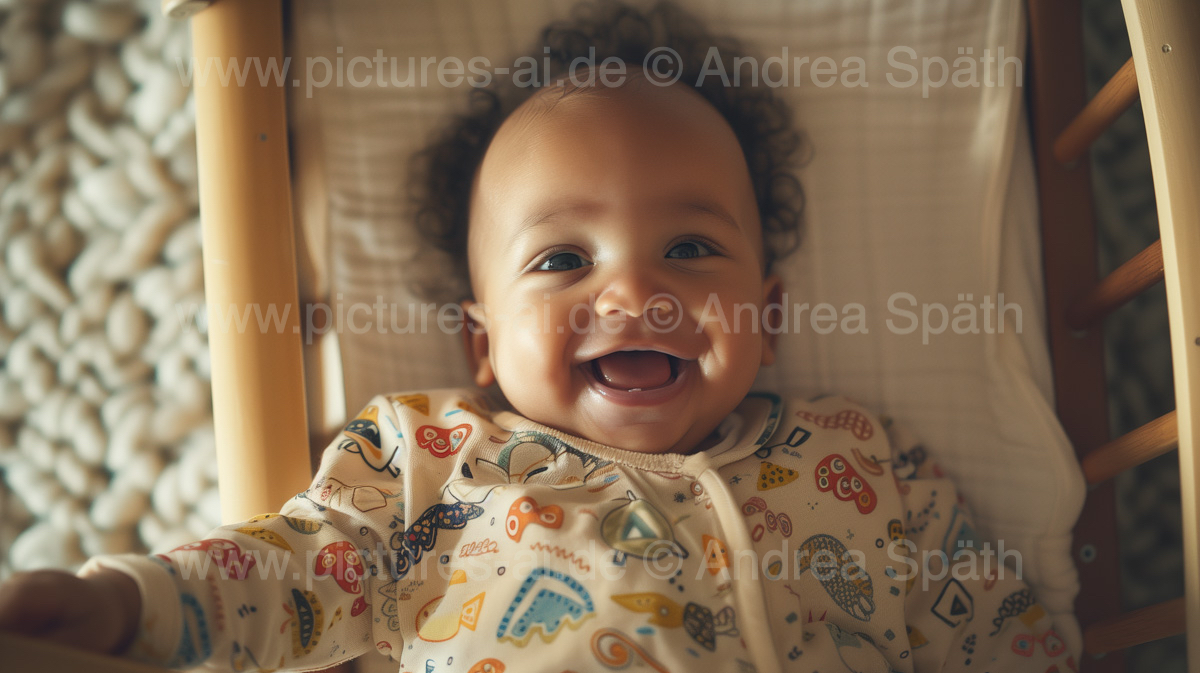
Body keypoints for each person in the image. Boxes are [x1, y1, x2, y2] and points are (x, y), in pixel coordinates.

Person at [0, 3, 1077, 672]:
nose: (635, 288)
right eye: (563, 260)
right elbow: (286, 573)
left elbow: (995, 626)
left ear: (772, 314)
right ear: (481, 343)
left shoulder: (864, 461)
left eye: (691, 247)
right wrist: (125, 604)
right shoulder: (432, 464)